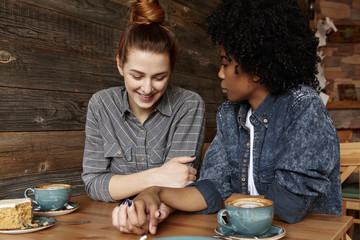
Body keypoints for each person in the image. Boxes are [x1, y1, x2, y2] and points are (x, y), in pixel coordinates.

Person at [112, 0, 343, 235]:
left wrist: (220, 197)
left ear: (257, 70)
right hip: (243, 234)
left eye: (226, 62)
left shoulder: (302, 107)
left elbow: (286, 207)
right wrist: (156, 192)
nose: (220, 73)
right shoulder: (228, 114)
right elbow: (209, 189)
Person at [82, 0, 205, 203]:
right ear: (120, 65)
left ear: (171, 70)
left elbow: (179, 182)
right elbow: (94, 183)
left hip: (169, 219)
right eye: (137, 76)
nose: (147, 89)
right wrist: (155, 176)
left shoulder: (188, 105)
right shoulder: (101, 105)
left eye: (159, 77)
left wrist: (121, 185)